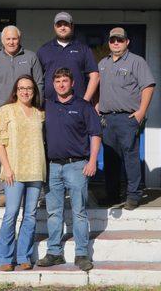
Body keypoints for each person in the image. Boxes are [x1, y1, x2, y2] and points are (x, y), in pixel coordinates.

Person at [36, 68, 102, 272]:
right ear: (53, 84)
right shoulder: (47, 105)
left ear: (72, 83)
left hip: (77, 165)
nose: (61, 85)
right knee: (54, 212)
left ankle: (82, 253)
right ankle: (54, 252)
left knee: (79, 212)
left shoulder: (83, 106)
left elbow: (96, 134)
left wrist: (92, 162)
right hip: (53, 166)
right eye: (57, 81)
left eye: (65, 81)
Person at [0, 75, 46, 271]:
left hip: (36, 170)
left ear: (34, 91)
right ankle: (5, 257)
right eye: (21, 88)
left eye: (29, 88)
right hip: (14, 170)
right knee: (11, 213)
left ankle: (24, 256)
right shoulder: (7, 111)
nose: (25, 91)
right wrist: (7, 167)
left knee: (30, 215)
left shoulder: (39, 113)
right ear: (15, 90)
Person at [0, 25, 44, 207]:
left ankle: (33, 191)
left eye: (14, 39)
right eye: (8, 39)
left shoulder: (31, 57)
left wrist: (37, 109)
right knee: (0, 151)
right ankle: (3, 192)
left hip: (27, 111)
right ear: (2, 41)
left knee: (30, 150)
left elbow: (39, 83)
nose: (11, 42)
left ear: (20, 39)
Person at [97, 27, 155, 210]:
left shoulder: (136, 62)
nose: (116, 43)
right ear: (109, 42)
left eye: (119, 40)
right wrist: (96, 105)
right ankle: (112, 195)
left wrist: (141, 112)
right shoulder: (103, 64)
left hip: (127, 118)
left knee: (130, 158)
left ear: (127, 42)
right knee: (110, 158)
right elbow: (96, 85)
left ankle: (133, 196)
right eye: (113, 40)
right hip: (107, 119)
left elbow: (148, 86)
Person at [37, 12, 99, 103]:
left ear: (72, 26)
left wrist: (85, 101)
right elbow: (36, 79)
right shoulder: (44, 50)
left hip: (77, 105)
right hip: (50, 105)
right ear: (54, 27)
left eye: (66, 24)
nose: (62, 28)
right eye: (59, 25)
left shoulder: (83, 49)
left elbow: (95, 76)